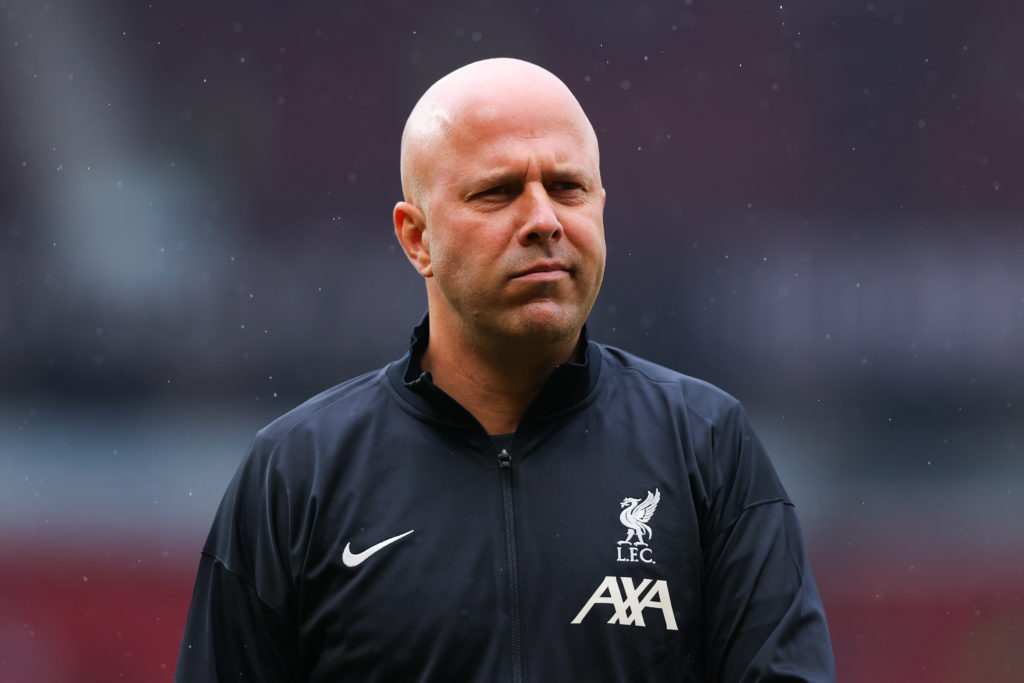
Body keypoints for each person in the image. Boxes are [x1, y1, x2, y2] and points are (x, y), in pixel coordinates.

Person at [176, 58, 835, 682]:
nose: (544, 219)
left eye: (567, 187)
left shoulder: (708, 450)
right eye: (498, 192)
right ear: (417, 237)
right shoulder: (298, 475)